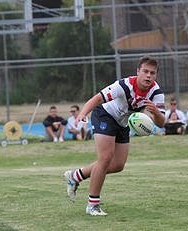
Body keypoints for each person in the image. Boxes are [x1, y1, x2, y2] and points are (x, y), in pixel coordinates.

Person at [63, 56, 165, 216]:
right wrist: (83, 113)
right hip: (105, 114)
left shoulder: (156, 93)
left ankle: (76, 175)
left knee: (118, 165)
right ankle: (92, 205)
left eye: (152, 73)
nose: (148, 76)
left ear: (156, 75)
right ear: (138, 71)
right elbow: (97, 98)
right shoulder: (124, 85)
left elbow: (161, 123)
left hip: (123, 122)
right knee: (105, 159)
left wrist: (156, 111)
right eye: (145, 71)